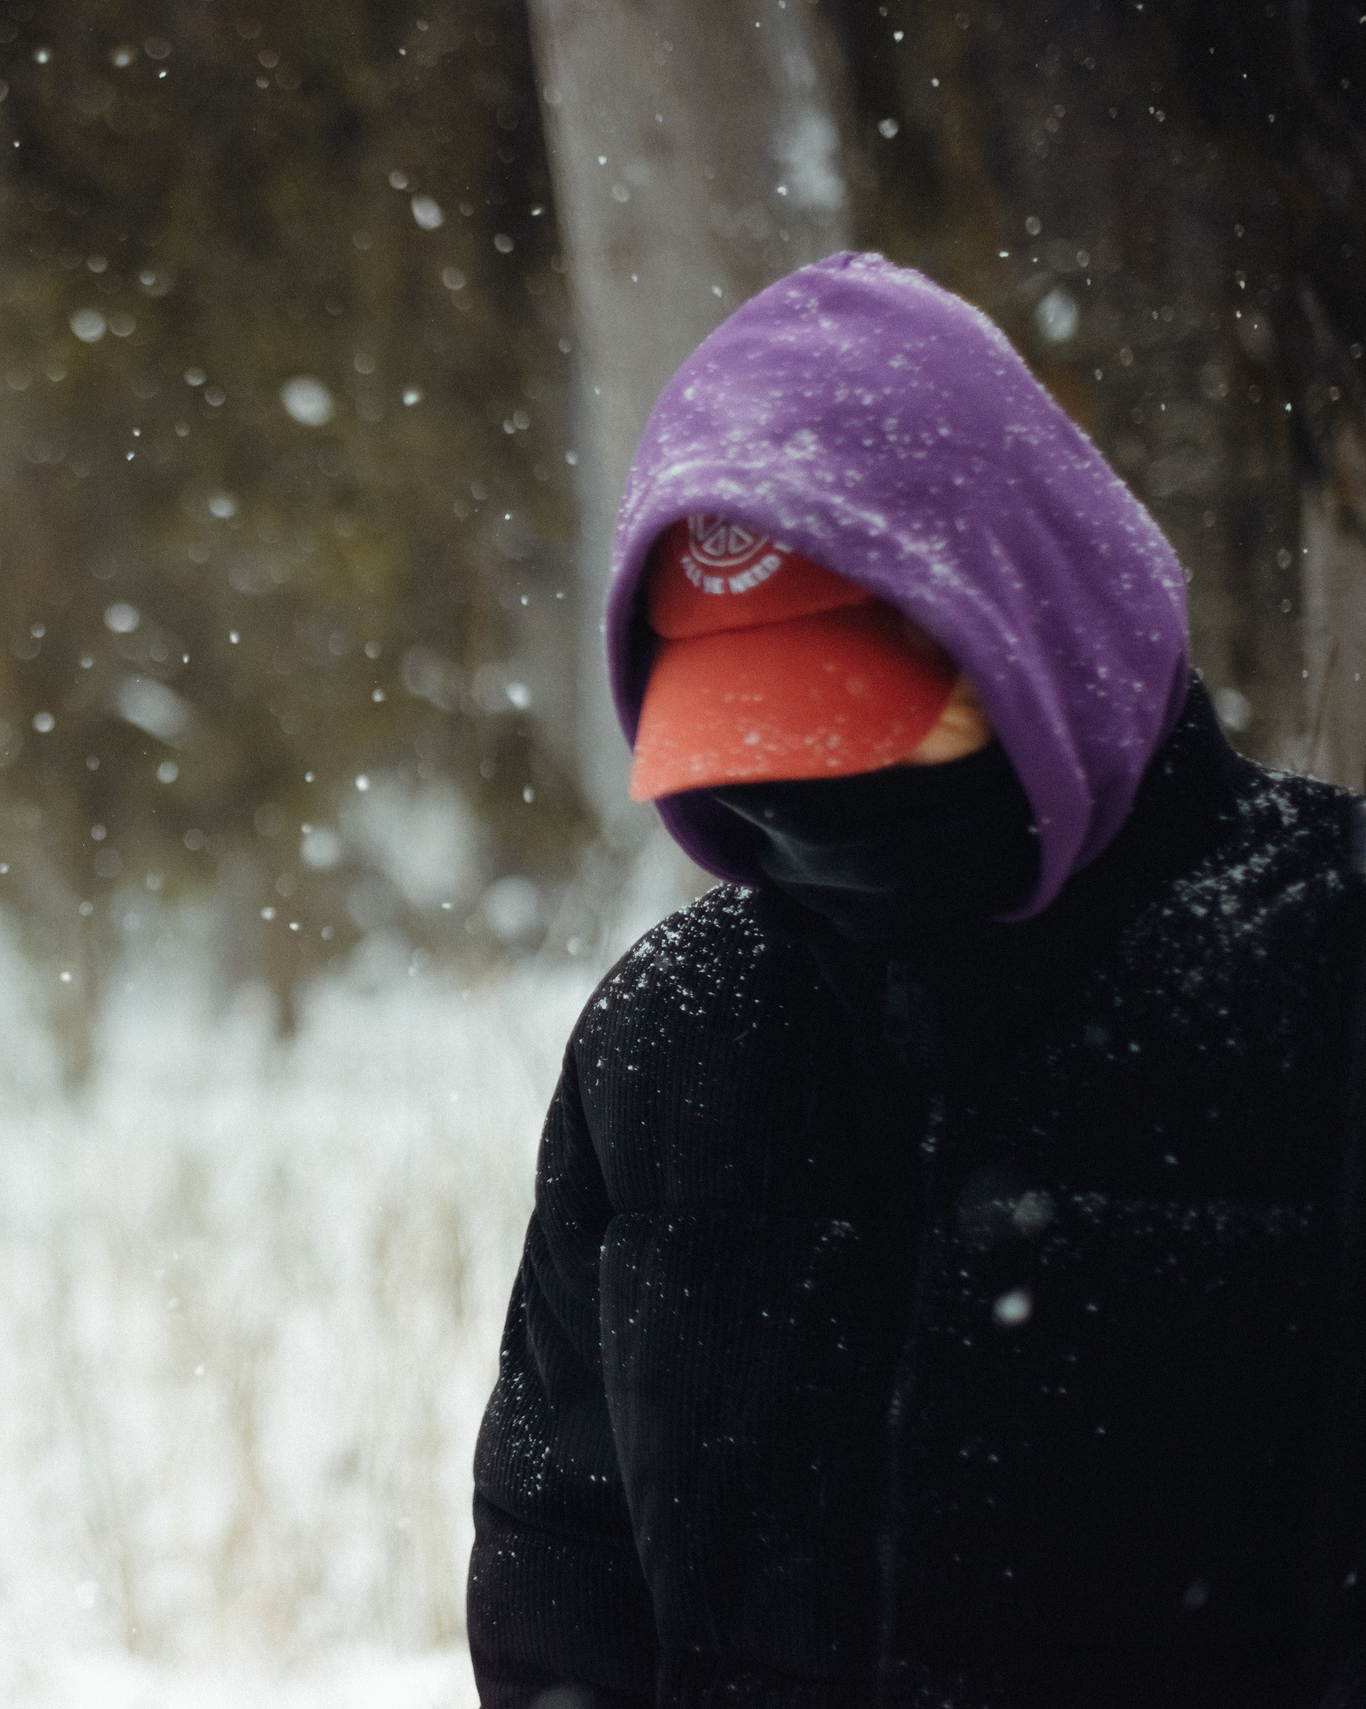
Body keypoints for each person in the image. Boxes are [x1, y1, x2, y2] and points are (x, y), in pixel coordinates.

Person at [467, 253, 1365, 1705]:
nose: (803, 795)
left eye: (853, 720)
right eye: (744, 739)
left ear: (1035, 635)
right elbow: (562, 1564)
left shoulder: (1327, 961)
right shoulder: (673, 1042)